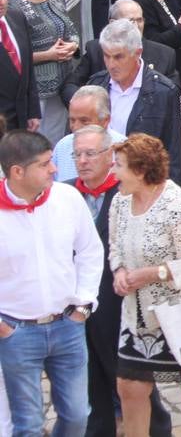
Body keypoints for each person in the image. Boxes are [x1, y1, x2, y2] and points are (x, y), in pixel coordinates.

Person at [66, 125, 174, 437]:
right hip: (77, 304)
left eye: (91, 153)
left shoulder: (126, 192)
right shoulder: (67, 193)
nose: (83, 161)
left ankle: (156, 429)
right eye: (77, 154)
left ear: (109, 156)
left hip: (117, 303)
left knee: (129, 377)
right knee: (90, 379)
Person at [108, 133, 181, 435]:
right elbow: (115, 246)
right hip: (137, 319)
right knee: (129, 386)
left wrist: (152, 273)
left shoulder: (175, 204)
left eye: (119, 166)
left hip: (180, 317)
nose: (113, 172)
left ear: (140, 171)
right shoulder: (119, 202)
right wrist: (119, 272)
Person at [0, 129, 102, 437]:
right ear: (18, 171)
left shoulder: (67, 198)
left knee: (76, 416)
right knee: (28, 425)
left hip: (67, 326)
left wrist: (82, 306)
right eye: (45, 164)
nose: (55, 169)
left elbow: (89, 251)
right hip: (16, 332)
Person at [86, 20, 181, 184]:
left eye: (118, 57)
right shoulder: (96, 85)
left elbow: (172, 153)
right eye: (106, 56)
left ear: (138, 53)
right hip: (100, 183)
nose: (111, 64)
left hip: (142, 183)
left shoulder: (163, 92)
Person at [7, 0, 79, 138]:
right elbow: (14, 53)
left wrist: (73, 45)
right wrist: (49, 55)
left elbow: (71, 30)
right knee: (37, 138)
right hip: (37, 89)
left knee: (57, 137)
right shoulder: (15, 7)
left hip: (63, 82)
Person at [0, 0, 42, 134]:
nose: (2, 2)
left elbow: (28, 68)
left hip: (23, 118)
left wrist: (33, 111)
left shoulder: (16, 17)